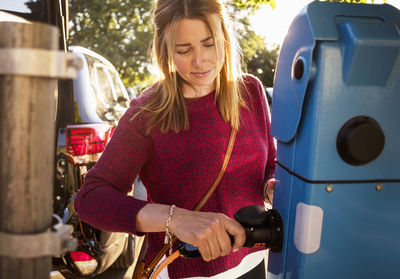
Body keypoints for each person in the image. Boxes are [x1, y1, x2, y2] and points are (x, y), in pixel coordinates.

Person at [74, 0, 276, 278]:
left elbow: (269, 167)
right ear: (165, 51)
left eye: (209, 44)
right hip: (184, 270)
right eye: (184, 50)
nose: (200, 60)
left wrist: (272, 188)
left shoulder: (251, 91)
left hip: (255, 262)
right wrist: (175, 219)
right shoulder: (147, 113)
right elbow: (90, 199)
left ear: (225, 39)